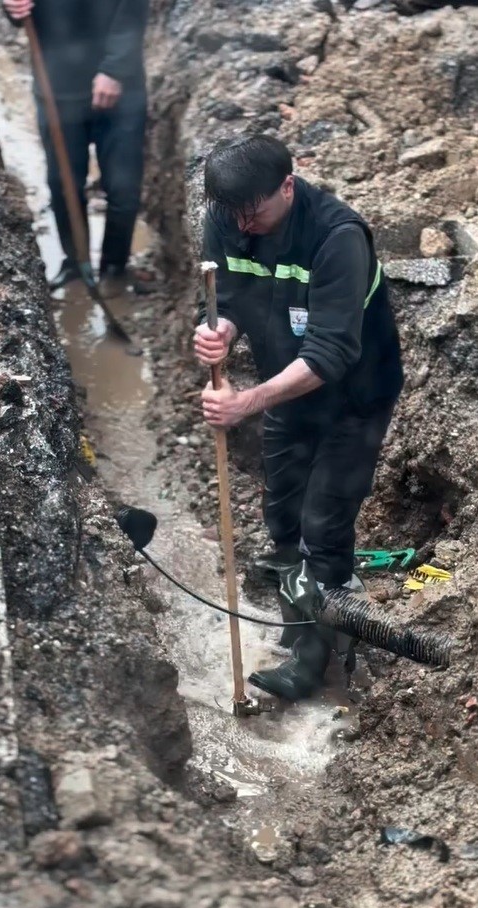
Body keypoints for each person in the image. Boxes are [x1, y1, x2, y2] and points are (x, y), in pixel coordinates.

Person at [194, 134, 403, 703]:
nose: (242, 225)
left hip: (354, 396)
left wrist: (246, 402)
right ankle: (298, 603)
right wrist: (220, 332)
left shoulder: (338, 238)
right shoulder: (228, 216)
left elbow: (331, 354)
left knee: (324, 523)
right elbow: (229, 297)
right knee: (283, 506)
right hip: (286, 386)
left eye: (253, 213)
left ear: (287, 185)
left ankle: (314, 660)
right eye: (231, 214)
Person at [2, 0, 149, 290]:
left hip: (121, 91)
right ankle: (76, 264)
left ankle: (115, 269)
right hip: (56, 86)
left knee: (123, 189)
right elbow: (18, 12)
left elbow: (133, 9)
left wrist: (115, 68)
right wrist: (11, 7)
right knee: (62, 184)